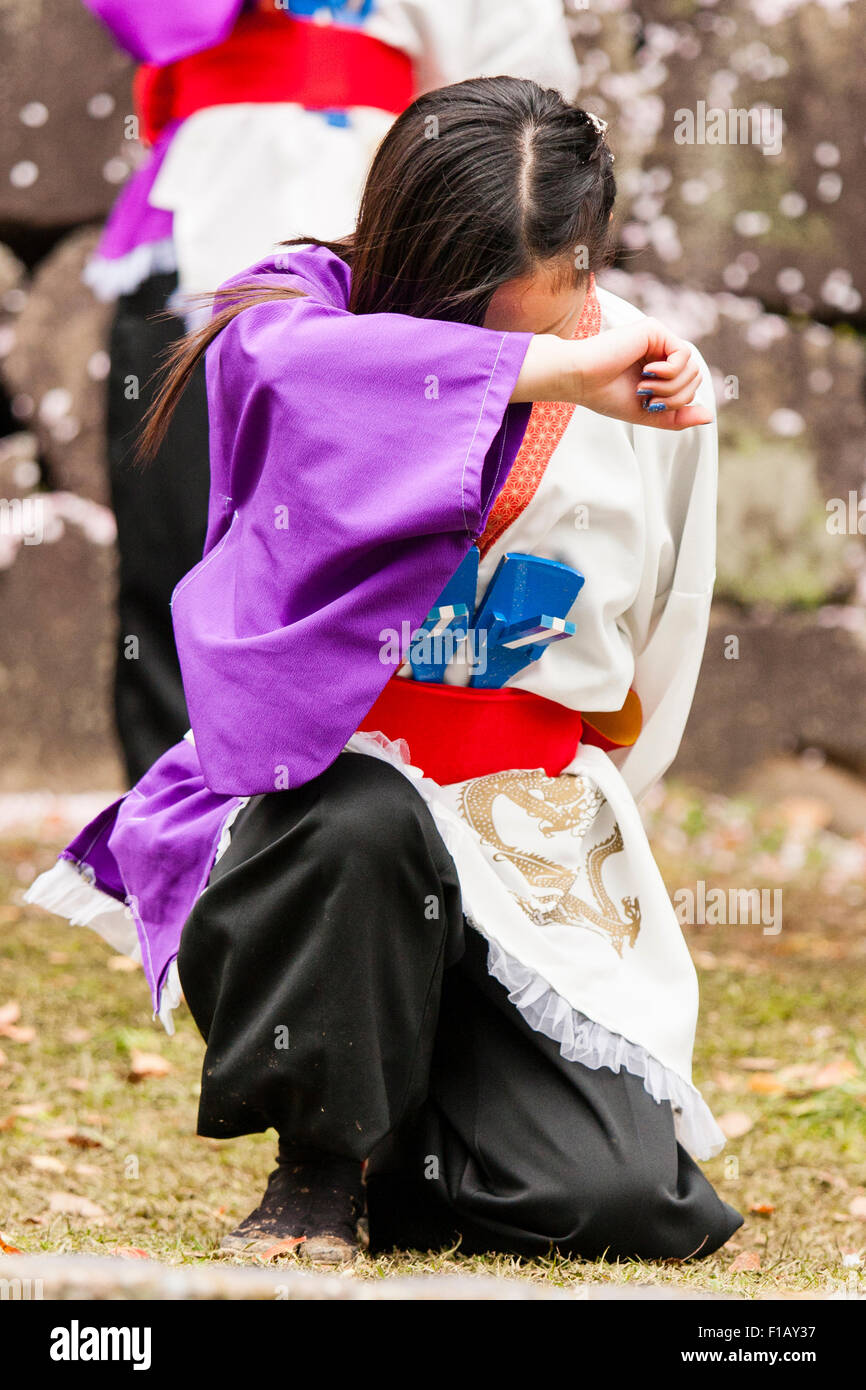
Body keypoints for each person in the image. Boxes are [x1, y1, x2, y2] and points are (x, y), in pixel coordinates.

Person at [28, 77, 743, 1264]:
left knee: (610, 1206)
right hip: (321, 812)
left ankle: (408, 1119)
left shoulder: (656, 383)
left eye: (551, 296)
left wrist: (579, 803)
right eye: (471, 310)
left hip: (525, 824)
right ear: (408, 250)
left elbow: (662, 640)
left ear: (587, 255)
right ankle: (318, 1154)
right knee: (361, 826)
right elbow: (294, 375)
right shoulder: (290, 321)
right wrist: (550, 373)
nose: (519, 335)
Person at [83, 0, 579, 782]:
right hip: (193, 226)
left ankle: (346, 828)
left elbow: (522, 101)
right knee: (173, 555)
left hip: (375, 241)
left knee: (360, 565)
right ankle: (177, 847)